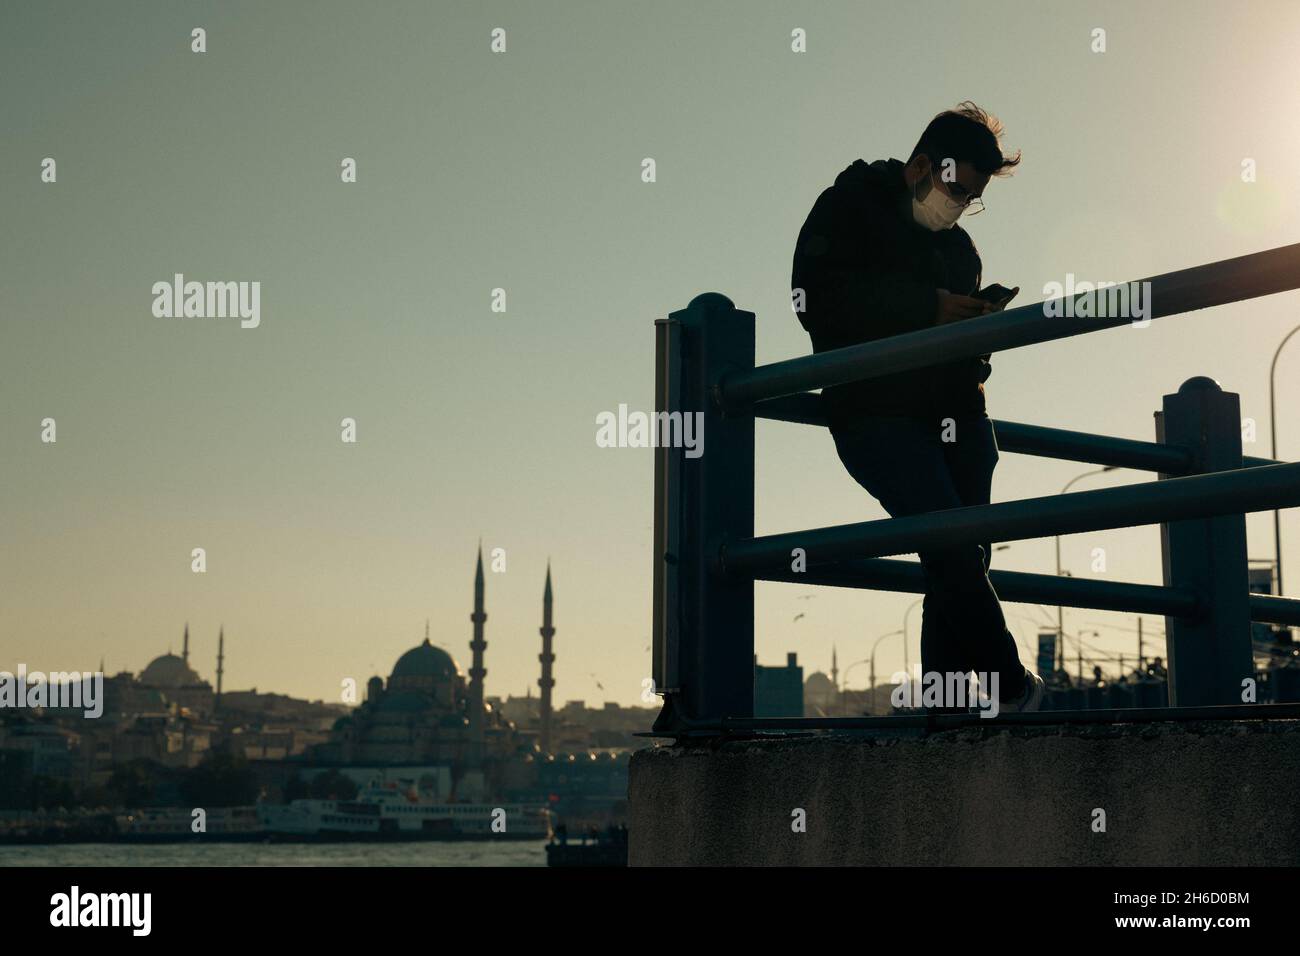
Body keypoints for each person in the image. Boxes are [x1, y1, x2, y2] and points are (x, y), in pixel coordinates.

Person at [791, 102, 1044, 714]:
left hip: (958, 418)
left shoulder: (962, 252)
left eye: (973, 197)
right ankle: (1010, 686)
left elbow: (960, 355)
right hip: (875, 414)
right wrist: (926, 310)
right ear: (924, 165)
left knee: (956, 561)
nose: (959, 204)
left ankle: (948, 713)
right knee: (952, 547)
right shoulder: (849, 206)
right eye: (957, 188)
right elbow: (814, 301)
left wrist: (976, 334)